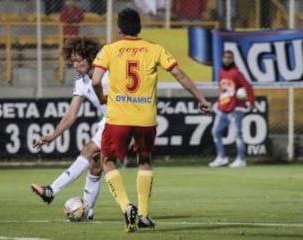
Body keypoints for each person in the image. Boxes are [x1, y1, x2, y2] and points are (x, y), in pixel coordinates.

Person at [92, 8, 211, 232]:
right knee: (144, 160)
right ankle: (144, 215)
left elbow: (96, 79)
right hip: (146, 118)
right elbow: (180, 74)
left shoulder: (109, 50)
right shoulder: (154, 49)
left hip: (118, 117)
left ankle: (127, 206)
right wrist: (201, 99)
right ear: (139, 27)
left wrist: (101, 97)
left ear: (119, 29)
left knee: (107, 160)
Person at [31, 37, 108, 220]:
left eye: (78, 60)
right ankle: (87, 211)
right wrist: (53, 135)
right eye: (72, 61)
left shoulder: (106, 73)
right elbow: (71, 114)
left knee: (88, 150)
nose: (74, 65)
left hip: (122, 117)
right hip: (109, 119)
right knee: (95, 165)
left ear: (90, 58)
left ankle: (51, 190)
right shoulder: (81, 79)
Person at [209, 50, 255, 168]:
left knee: (238, 134)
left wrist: (251, 101)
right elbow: (222, 90)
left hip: (236, 108)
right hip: (223, 108)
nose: (227, 60)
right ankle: (221, 157)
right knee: (216, 132)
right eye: (225, 57)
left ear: (233, 59)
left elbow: (248, 86)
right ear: (222, 59)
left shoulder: (237, 73)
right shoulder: (221, 73)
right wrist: (219, 103)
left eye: (229, 58)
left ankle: (241, 159)